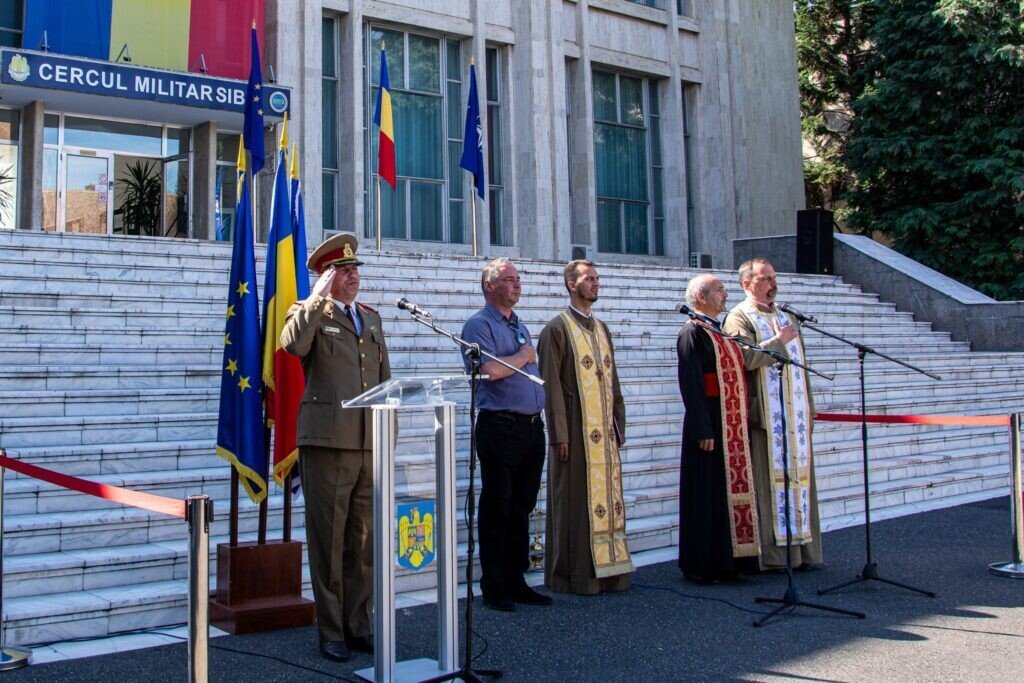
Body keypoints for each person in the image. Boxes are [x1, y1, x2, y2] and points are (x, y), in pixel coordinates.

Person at [280, 232, 390, 662]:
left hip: (367, 442)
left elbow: (384, 381)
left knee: (362, 542)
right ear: (327, 277)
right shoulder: (308, 312)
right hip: (327, 442)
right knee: (328, 541)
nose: (353, 277)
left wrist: (387, 434)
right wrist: (315, 298)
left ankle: (358, 624)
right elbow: (292, 345)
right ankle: (331, 631)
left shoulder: (371, 319)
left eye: (355, 270)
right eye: (343, 271)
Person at [460, 258, 551, 612]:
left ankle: (516, 579)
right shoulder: (478, 325)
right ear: (489, 285)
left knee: (522, 505)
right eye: (509, 279)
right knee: (498, 506)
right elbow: (489, 371)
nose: (517, 284)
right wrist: (524, 355)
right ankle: (494, 585)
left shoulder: (519, 324)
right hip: (500, 427)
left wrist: (525, 356)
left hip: (531, 427)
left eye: (518, 278)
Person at [538, 259, 633, 595]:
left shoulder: (602, 328)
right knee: (575, 502)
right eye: (588, 278)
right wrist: (559, 434)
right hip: (576, 431)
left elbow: (613, 381)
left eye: (597, 278)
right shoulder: (556, 329)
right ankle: (576, 575)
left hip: (604, 432)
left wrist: (618, 422)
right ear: (571, 284)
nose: (595, 283)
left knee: (609, 500)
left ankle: (612, 571)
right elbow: (550, 387)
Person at [722, 258, 823, 570]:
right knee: (770, 487)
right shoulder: (739, 316)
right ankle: (776, 557)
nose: (773, 284)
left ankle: (804, 551)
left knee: (799, 483)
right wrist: (778, 341)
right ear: (747, 283)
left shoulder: (786, 316)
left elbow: (801, 367)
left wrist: (810, 407)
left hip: (795, 415)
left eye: (773, 277)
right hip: (767, 418)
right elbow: (743, 358)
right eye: (765, 278)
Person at [676, 275, 760, 583]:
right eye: (719, 290)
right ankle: (704, 564)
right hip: (709, 423)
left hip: (731, 424)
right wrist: (702, 428)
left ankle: (731, 561)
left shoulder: (721, 330)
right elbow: (692, 383)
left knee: (726, 494)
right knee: (706, 494)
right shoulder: (692, 332)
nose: (725, 294)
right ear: (701, 297)